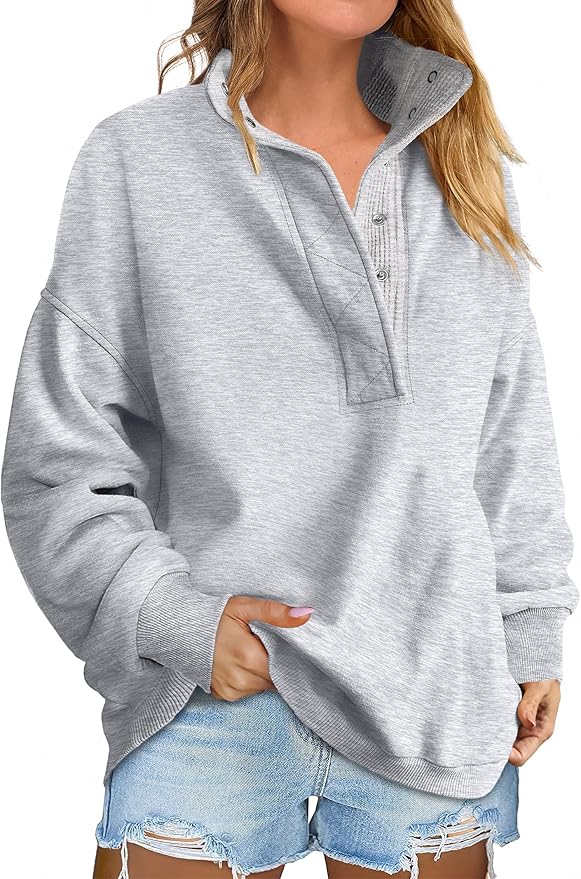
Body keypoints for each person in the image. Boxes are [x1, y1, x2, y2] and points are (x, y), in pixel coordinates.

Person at [1, 1, 577, 878]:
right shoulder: (138, 159)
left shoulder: (464, 163)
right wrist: (168, 616)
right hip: (208, 693)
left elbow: (507, 433)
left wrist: (529, 626)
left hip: (433, 688)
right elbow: (57, 464)